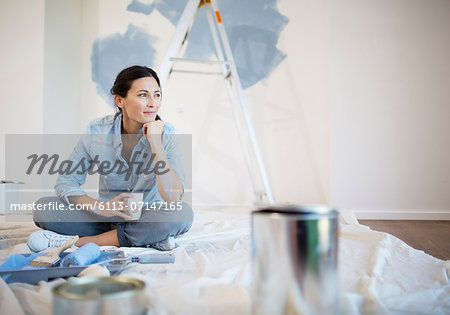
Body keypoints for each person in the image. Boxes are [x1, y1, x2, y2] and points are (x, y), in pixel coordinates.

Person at [27, 65, 193, 251]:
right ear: (119, 100)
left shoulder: (168, 134)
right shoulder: (97, 131)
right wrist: (101, 207)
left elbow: (173, 198)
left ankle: (80, 242)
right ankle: (146, 237)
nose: (153, 103)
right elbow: (66, 183)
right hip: (107, 218)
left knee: (181, 214)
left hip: (149, 216)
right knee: (44, 209)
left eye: (157, 95)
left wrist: (156, 143)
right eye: (143, 95)